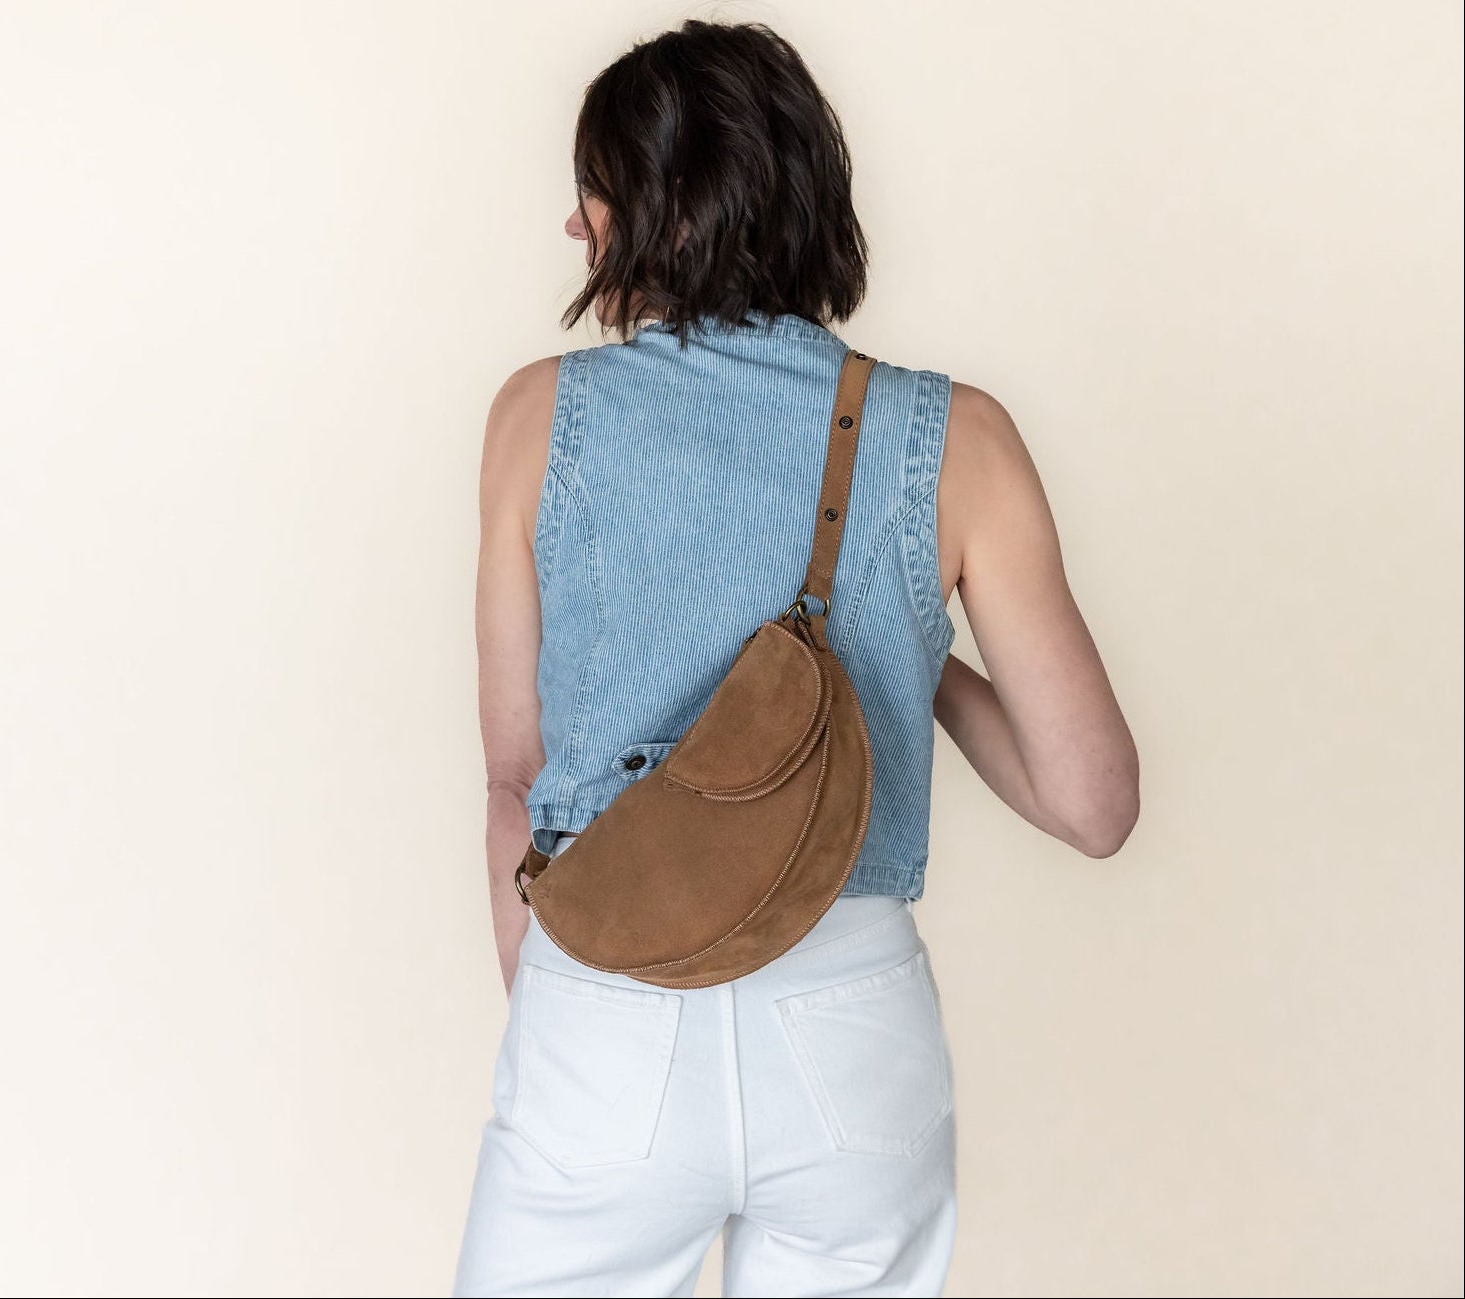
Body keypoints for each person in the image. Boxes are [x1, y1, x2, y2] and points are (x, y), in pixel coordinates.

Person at [454, 18, 1139, 1299]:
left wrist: (570, 1029)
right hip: (850, 1037)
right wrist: (893, 632)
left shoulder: (538, 417)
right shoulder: (958, 438)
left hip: (604, 1013)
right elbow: (1092, 805)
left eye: (588, 193)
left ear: (650, 209)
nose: (573, 228)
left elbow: (514, 779)